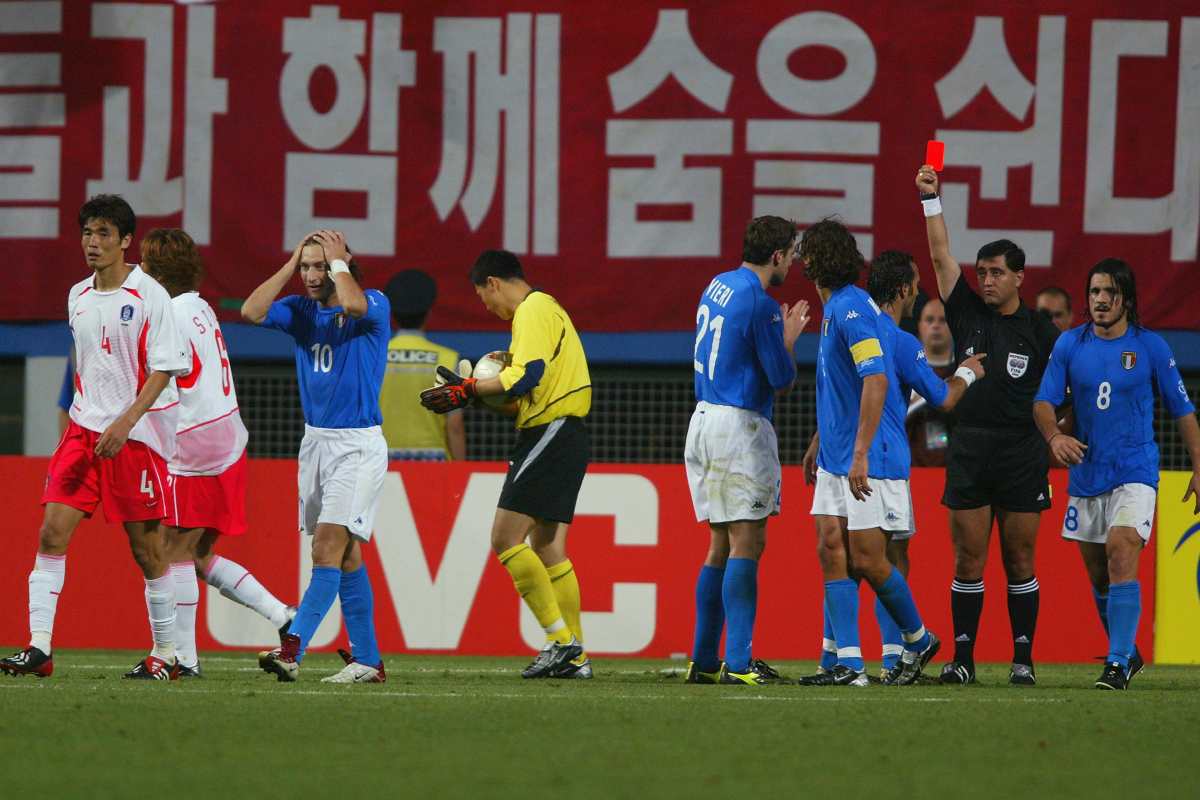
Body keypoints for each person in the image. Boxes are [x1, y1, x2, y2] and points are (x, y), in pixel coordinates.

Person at [1, 195, 189, 680]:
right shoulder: (77, 296)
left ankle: (165, 652)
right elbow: (88, 365)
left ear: (126, 241)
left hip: (135, 438)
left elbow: (165, 368)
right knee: (51, 533)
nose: (93, 242)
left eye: (104, 233)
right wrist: (81, 425)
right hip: (84, 435)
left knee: (146, 550)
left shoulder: (151, 296)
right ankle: (39, 647)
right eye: (88, 232)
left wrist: (125, 422)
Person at [806, 251, 984, 682]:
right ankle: (869, 654)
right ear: (904, 289)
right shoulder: (899, 340)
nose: (921, 291)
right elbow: (943, 399)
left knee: (863, 559)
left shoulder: (855, 322)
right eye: (917, 283)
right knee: (856, 557)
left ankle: (889, 651)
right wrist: (968, 373)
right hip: (873, 461)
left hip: (865, 458)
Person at [917, 164, 1061, 686]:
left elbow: (1065, 392)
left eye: (998, 272)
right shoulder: (966, 314)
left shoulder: (1042, 331)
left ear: (1020, 276)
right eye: (983, 272)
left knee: (1021, 558)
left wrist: (1057, 432)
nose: (988, 280)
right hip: (971, 448)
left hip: (1023, 452)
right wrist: (931, 200)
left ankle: (1022, 660)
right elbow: (938, 256)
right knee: (969, 560)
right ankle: (963, 661)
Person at [419, 250, 592, 679]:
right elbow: (520, 396)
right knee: (549, 548)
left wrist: (470, 390)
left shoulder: (532, 310)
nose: (487, 307)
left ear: (493, 283)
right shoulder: (548, 310)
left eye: (483, 297)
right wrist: (472, 393)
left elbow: (527, 375)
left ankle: (562, 642)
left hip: (551, 432)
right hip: (564, 433)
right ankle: (577, 656)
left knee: (504, 538)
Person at [1033, 259, 1200, 689]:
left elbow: (1183, 412)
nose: (1101, 300)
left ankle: (1117, 662)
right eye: (1094, 292)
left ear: (1125, 298)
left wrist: (1199, 467)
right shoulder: (1070, 345)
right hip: (1087, 474)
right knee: (1099, 573)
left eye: (1109, 292)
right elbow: (1043, 403)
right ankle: (1127, 650)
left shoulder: (1151, 348)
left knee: (1122, 548)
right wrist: (1054, 438)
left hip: (1136, 469)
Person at [140, 228, 296, 678]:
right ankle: (285, 617)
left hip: (198, 441)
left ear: (156, 271)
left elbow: (170, 379)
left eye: (145, 265)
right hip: (228, 435)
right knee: (200, 555)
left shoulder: (169, 313)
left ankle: (183, 660)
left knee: (171, 551)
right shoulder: (200, 305)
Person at [797, 220, 940, 687]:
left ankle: (917, 638)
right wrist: (821, 438)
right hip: (835, 455)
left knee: (869, 559)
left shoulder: (853, 309)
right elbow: (841, 387)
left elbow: (876, 380)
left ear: (824, 260)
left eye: (809, 253)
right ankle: (850, 664)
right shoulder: (835, 309)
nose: (803, 260)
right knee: (830, 549)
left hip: (863, 460)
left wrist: (859, 453)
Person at [242, 230, 389, 684]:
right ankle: (368, 661)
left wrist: (339, 263)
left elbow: (356, 306)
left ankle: (294, 646)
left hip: (357, 445)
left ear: (342, 265)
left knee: (326, 547)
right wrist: (290, 264)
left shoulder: (373, 304)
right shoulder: (300, 310)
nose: (310, 275)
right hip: (316, 445)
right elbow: (251, 310)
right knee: (344, 558)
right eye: (306, 266)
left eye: (318, 266)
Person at [679, 216, 809, 686]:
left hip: (704, 418)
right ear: (777, 255)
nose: (792, 263)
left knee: (719, 543)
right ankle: (739, 663)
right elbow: (782, 380)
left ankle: (704, 658)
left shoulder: (718, 284)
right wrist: (789, 338)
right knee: (747, 543)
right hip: (740, 426)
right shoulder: (762, 303)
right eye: (791, 255)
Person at [379, 269, 466, 461]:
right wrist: (461, 471)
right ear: (428, 312)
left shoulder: (374, 356)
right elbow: (455, 426)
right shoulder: (448, 359)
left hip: (381, 460)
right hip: (434, 461)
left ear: (392, 313)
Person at [907, 297, 957, 467]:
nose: (935, 325)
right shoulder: (904, 372)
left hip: (956, 474)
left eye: (943, 320)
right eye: (929, 320)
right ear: (920, 326)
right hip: (910, 473)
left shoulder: (964, 374)